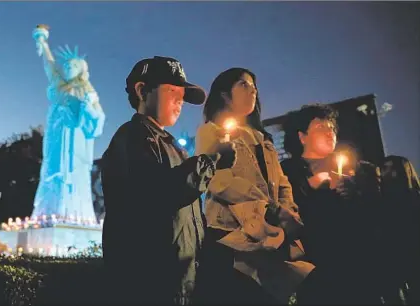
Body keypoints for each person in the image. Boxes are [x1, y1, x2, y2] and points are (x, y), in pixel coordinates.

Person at [101, 56, 236, 305]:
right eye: (172, 90)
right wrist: (211, 159)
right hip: (148, 286)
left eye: (182, 94)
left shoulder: (172, 146)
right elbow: (162, 192)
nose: (180, 100)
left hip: (180, 286)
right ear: (142, 91)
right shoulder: (132, 138)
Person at [194, 67, 315, 305]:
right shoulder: (211, 132)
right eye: (244, 85)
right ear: (224, 95)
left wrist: (287, 208)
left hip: (267, 236)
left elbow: (281, 182)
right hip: (229, 235)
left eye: (254, 87)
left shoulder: (262, 139)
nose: (253, 91)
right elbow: (220, 181)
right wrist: (272, 209)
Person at [281, 103, 381, 304]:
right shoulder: (288, 172)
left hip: (359, 269)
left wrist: (356, 193)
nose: (329, 133)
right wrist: (311, 187)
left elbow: (378, 214)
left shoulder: (359, 170)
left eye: (332, 128)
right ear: (302, 137)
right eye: (320, 128)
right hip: (316, 272)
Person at [31, 25, 105, 223]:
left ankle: (76, 216)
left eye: (73, 66)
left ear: (81, 70)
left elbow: (98, 120)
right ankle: (47, 213)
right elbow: (50, 64)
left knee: (73, 176)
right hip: (56, 136)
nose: (68, 68)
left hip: (75, 141)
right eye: (67, 65)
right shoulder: (59, 85)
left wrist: (88, 107)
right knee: (51, 172)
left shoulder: (87, 92)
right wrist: (42, 42)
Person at [379, 155, 420, 305]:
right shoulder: (379, 201)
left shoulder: (414, 199)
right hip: (391, 261)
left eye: (393, 169)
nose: (387, 173)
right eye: (384, 168)